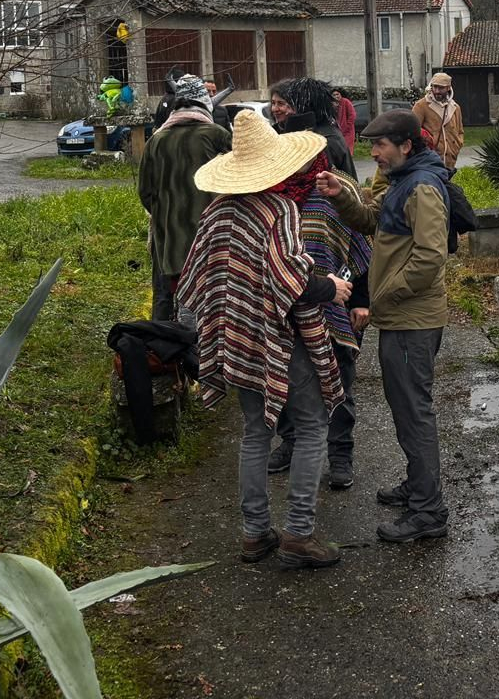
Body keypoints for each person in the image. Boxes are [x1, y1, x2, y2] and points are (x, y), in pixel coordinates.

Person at [176, 110, 351, 569]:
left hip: (238, 339)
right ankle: (298, 533)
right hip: (279, 338)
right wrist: (331, 287)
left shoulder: (217, 212)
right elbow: (291, 283)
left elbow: (200, 277)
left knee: (255, 431)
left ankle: (255, 533)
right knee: (312, 426)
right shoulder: (279, 211)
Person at [317, 110, 451, 543]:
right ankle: (418, 487)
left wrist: (382, 295)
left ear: (406, 146)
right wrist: (341, 196)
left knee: (414, 413)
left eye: (380, 146)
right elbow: (372, 220)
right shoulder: (399, 182)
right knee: (405, 407)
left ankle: (428, 511)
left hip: (413, 320)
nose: (372, 153)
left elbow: (431, 257)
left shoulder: (423, 188)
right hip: (401, 316)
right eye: (370, 145)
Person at [266, 148, 371, 491]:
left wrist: (361, 302)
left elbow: (358, 245)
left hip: (334, 307)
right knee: (282, 378)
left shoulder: (334, 190)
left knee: (340, 379)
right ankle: (291, 442)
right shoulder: (272, 194)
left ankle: (341, 455)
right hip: (286, 308)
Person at [139, 75, 230, 319]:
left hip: (166, 238)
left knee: (163, 297)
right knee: (210, 301)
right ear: (204, 104)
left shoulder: (156, 140)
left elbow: (144, 193)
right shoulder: (217, 135)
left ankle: (161, 351)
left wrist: (165, 213)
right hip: (212, 237)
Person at [270, 77, 355, 174]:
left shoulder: (323, 141)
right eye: (273, 103)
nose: (274, 109)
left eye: (283, 103)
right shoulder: (310, 133)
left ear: (305, 106)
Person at [412, 72, 465, 170]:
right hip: (429, 160)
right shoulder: (421, 105)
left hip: (450, 160)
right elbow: (412, 131)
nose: (436, 91)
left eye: (441, 88)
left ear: (448, 88)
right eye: (434, 87)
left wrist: (456, 147)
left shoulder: (455, 107)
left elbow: (460, 131)